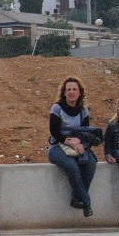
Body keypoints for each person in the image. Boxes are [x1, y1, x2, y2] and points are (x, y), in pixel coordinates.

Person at [47, 76, 99, 218]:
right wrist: (67, 140)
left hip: (78, 145)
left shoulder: (83, 110)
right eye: (68, 89)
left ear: (80, 92)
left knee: (90, 165)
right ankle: (87, 203)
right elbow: (54, 131)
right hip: (58, 146)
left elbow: (86, 132)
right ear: (63, 92)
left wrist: (81, 143)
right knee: (71, 166)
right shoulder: (57, 108)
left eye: (74, 89)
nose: (71, 92)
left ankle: (77, 199)